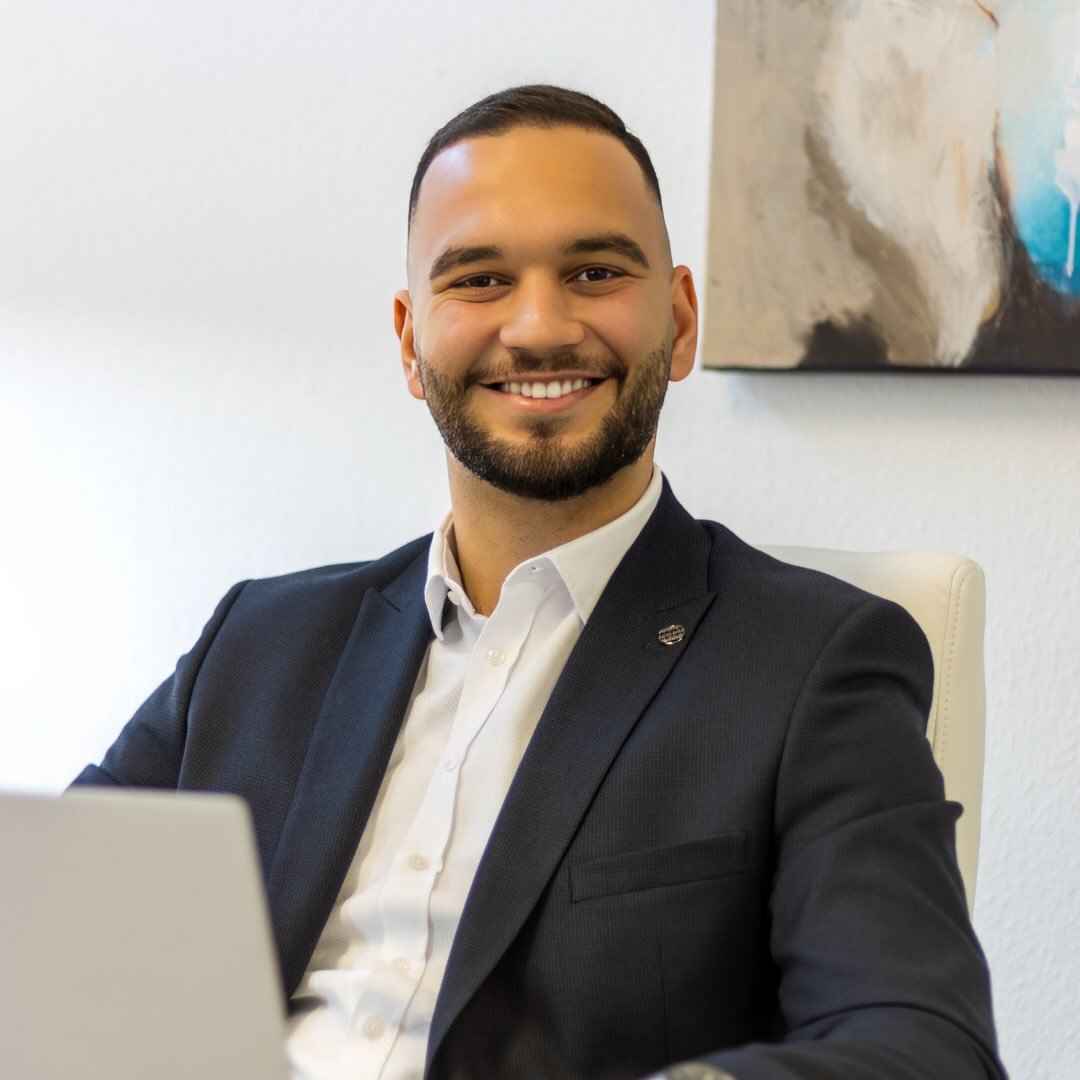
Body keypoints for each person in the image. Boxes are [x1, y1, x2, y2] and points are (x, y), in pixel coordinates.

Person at [74, 85, 1006, 1079]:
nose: (537, 327)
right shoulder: (258, 639)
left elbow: (924, 1045)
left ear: (680, 319)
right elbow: (48, 915)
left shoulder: (816, 663)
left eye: (594, 271)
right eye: (479, 279)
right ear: (409, 340)